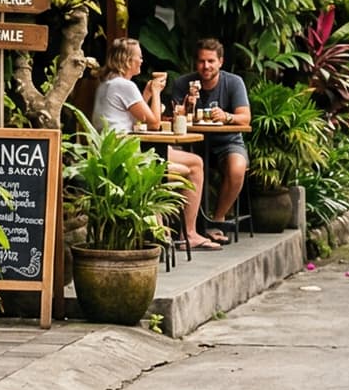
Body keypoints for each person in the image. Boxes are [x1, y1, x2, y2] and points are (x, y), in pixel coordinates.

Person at [92, 38, 216, 249]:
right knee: (192, 168)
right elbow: (155, 122)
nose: (142, 60)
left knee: (194, 161)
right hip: (127, 160)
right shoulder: (124, 85)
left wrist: (147, 94)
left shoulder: (108, 83)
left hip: (116, 153)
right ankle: (189, 233)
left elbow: (136, 117)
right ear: (127, 60)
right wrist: (157, 93)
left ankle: (171, 230)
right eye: (138, 56)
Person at [170, 39, 250, 232]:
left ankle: (216, 220)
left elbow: (245, 118)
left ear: (220, 62)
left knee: (237, 168)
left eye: (211, 61)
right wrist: (188, 105)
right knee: (181, 164)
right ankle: (187, 225)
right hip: (192, 144)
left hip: (227, 142)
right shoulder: (182, 83)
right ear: (195, 63)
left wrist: (227, 116)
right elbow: (172, 120)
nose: (206, 66)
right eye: (201, 61)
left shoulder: (233, 82)